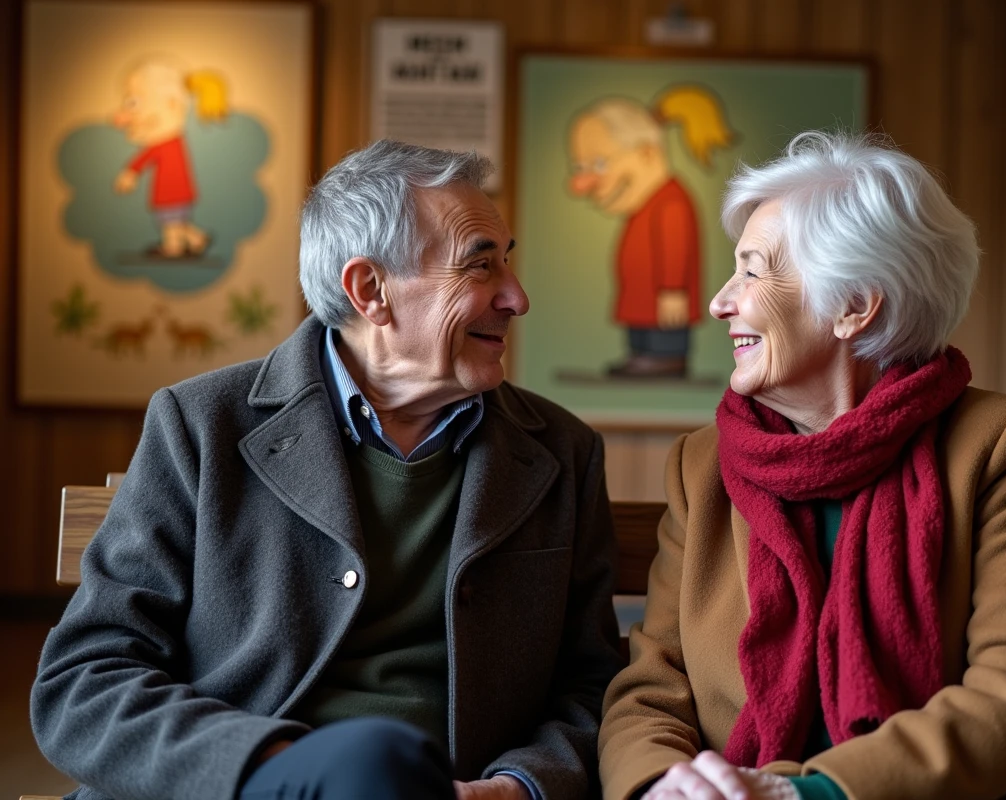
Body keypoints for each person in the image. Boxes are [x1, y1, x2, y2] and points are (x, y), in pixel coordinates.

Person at [33, 141, 622, 800]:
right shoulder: (200, 425)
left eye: (506, 263)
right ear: (370, 290)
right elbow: (86, 680)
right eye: (480, 266)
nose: (517, 297)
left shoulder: (562, 452)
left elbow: (593, 683)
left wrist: (520, 787)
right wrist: (276, 767)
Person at [599, 132, 1006, 800]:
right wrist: (661, 785)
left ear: (853, 306)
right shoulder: (699, 467)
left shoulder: (992, 444)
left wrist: (810, 795)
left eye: (752, 271)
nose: (719, 302)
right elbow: (652, 687)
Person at [568, 87, 736, 378]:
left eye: (599, 163)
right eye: (582, 166)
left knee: (664, 327)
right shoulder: (645, 205)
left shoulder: (671, 201)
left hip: (664, 299)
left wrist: (673, 289)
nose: (586, 181)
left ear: (646, 153)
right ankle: (642, 354)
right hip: (641, 296)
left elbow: (676, 247)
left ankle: (666, 357)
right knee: (641, 326)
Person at [112, 59, 224, 258]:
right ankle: (197, 239)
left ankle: (174, 247)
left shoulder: (167, 143)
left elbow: (144, 158)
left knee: (170, 222)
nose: (128, 114)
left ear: (171, 104)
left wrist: (130, 173)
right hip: (179, 193)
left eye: (133, 102)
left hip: (170, 194)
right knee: (178, 221)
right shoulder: (174, 142)